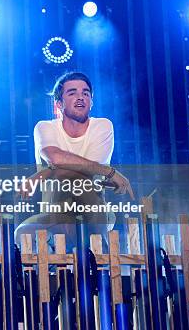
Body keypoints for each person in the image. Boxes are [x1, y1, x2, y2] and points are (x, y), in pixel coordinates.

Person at [15, 72, 133, 247]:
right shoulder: (45, 127)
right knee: (22, 233)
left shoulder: (102, 125)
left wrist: (43, 174)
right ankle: (49, 268)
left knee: (79, 179)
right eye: (72, 93)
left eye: (86, 93)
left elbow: (84, 171)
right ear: (59, 104)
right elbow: (56, 157)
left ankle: (101, 255)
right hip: (56, 209)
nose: (81, 97)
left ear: (91, 102)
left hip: (91, 211)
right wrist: (110, 173)